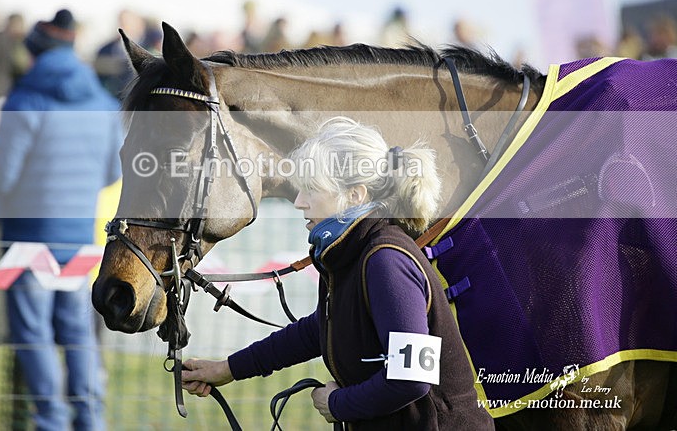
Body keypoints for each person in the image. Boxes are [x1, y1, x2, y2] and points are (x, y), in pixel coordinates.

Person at [181, 118, 495, 430]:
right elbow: (318, 329)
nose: (299, 203)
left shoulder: (385, 260)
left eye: (311, 190)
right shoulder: (350, 254)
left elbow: (410, 379)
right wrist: (228, 369)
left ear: (355, 195)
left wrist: (337, 404)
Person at [0, 9, 122, 431]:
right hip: (79, 239)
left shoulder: (24, 100)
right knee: (78, 333)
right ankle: (89, 418)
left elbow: (0, 178)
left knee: (33, 334)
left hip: (28, 238)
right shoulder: (103, 103)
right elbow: (112, 172)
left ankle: (52, 420)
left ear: (37, 51)